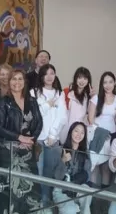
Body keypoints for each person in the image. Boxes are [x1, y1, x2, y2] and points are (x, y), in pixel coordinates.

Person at [0, 69, 43, 214]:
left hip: (28, 151)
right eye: (13, 79)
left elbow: (39, 123)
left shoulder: (32, 101)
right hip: (9, 152)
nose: (17, 82)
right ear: (9, 82)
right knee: (11, 190)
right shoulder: (3, 102)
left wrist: (31, 140)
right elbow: (0, 127)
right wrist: (19, 138)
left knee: (31, 187)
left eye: (20, 79)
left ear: (24, 82)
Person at [30, 64, 67, 206]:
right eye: (47, 73)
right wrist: (46, 105)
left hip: (53, 139)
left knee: (50, 173)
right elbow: (34, 115)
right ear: (42, 76)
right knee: (38, 171)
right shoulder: (34, 92)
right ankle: (38, 203)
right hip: (38, 139)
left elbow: (62, 116)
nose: (50, 76)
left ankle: (47, 202)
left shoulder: (59, 93)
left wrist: (53, 135)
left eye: (52, 73)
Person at [88, 72, 116, 188]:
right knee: (94, 165)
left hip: (112, 135)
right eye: (105, 82)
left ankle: (104, 197)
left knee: (106, 167)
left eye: (110, 82)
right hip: (97, 134)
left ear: (115, 83)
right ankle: (92, 197)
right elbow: (90, 119)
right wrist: (99, 132)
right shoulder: (96, 98)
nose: (108, 85)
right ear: (101, 84)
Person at [53, 122, 92, 214]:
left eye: (82, 132)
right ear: (71, 132)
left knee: (87, 192)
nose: (79, 135)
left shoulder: (85, 152)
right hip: (61, 190)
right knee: (70, 210)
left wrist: (74, 183)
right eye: (76, 131)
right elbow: (55, 177)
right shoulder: (60, 149)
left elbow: (87, 174)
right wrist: (63, 161)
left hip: (78, 187)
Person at [60, 67, 94, 144]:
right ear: (75, 78)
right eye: (79, 78)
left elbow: (90, 117)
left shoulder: (89, 96)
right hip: (66, 130)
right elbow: (61, 114)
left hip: (81, 132)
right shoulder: (66, 92)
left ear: (88, 80)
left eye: (85, 78)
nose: (82, 81)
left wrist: (92, 98)